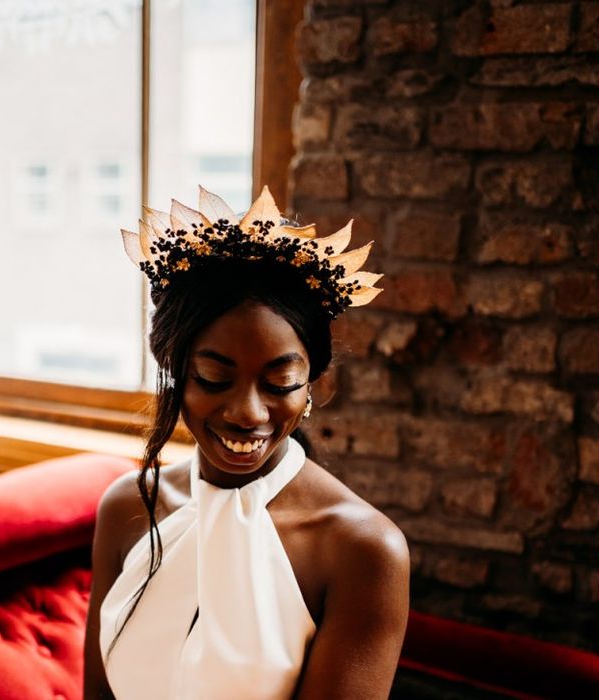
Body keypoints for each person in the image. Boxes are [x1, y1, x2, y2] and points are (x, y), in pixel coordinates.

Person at [83, 186, 410, 699]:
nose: (248, 413)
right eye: (214, 377)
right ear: (175, 374)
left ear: (311, 384)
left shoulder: (362, 550)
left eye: (279, 383)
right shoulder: (127, 507)